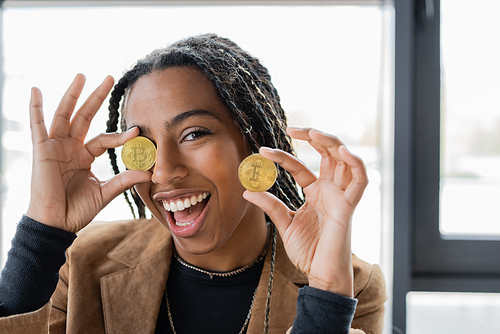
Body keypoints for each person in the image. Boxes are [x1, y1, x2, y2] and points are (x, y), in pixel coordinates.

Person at [0, 34, 386, 333]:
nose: (164, 172)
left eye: (193, 134)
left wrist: (326, 295)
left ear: (253, 144)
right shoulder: (82, 264)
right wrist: (42, 234)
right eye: (144, 146)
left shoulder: (350, 286)